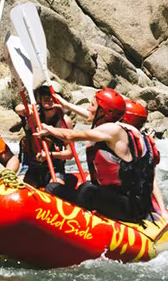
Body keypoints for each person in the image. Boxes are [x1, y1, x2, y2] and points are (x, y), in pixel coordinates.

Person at [37, 88, 159, 223]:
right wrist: (66, 105)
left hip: (127, 208)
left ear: (102, 112)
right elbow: (90, 115)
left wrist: (49, 129)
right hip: (132, 203)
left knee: (58, 188)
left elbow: (70, 135)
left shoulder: (112, 130)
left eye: (92, 105)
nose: (88, 108)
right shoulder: (128, 130)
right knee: (86, 187)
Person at [14, 85, 78, 195]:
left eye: (52, 95)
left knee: (55, 191)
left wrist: (49, 154)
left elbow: (70, 153)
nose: (48, 97)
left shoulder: (64, 121)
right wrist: (25, 108)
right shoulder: (33, 114)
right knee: (20, 192)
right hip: (30, 167)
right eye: (44, 94)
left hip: (54, 167)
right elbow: (18, 108)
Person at [121, 99, 168, 212]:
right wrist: (163, 210)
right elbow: (152, 180)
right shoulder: (147, 142)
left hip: (124, 200)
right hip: (139, 199)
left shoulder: (119, 141)